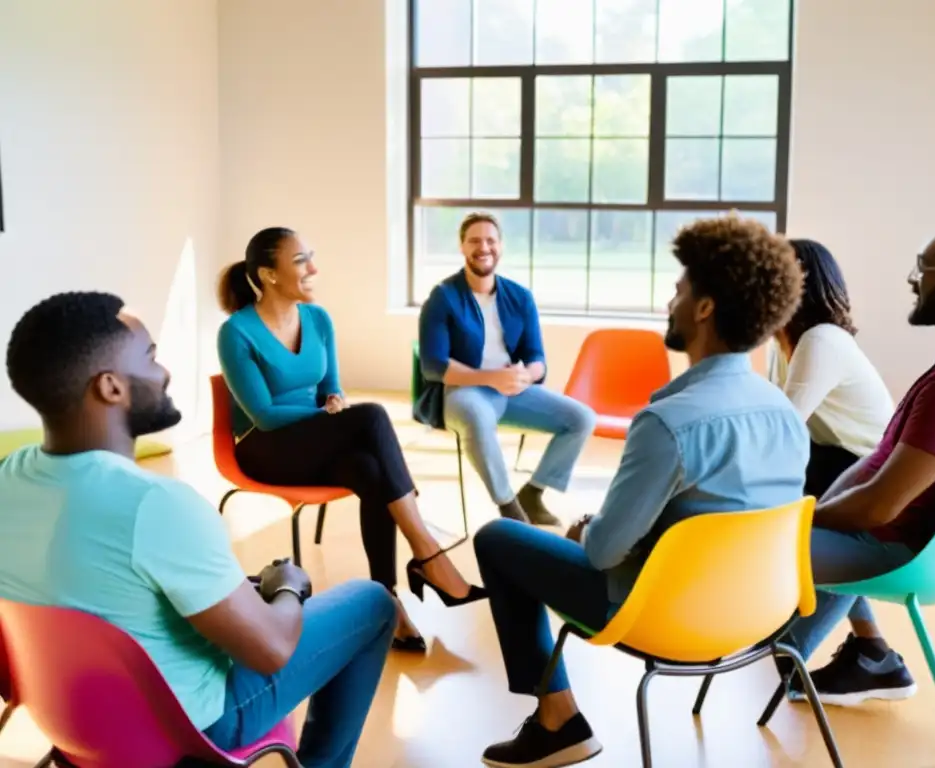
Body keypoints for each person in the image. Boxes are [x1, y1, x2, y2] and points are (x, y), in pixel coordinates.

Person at [0, 291, 395, 767]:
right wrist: (288, 588)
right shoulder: (156, 504)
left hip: (68, 719)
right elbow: (272, 649)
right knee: (374, 603)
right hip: (192, 725)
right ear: (110, 387)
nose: (164, 371)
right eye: (150, 357)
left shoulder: (8, 476)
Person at [473, 216, 810, 767]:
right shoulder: (785, 413)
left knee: (498, 538)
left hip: (669, 618)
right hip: (761, 615)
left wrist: (591, 531)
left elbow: (603, 553)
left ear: (705, 309)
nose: (669, 301)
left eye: (680, 290)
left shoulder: (669, 423)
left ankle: (557, 718)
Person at [781, 215, 935, 707]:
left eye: (922, 268)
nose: (913, 280)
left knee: (723, 542)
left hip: (895, 551)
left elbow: (877, 509)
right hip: (929, 549)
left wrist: (798, 519)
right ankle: (809, 647)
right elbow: (879, 468)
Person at [216, 227, 485, 654]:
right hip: (264, 448)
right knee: (373, 416)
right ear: (268, 274)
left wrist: (333, 404)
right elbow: (264, 416)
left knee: (368, 468)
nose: (313, 268)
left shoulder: (318, 319)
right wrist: (328, 415)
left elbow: (331, 390)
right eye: (301, 260)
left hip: (313, 440)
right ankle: (427, 551)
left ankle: (388, 600)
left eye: (311, 256)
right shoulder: (237, 332)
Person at [416, 211, 597, 526]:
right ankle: (509, 506)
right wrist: (490, 377)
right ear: (462, 247)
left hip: (513, 390)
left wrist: (527, 375)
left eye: (490, 240)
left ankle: (534, 493)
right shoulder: (442, 297)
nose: (483, 247)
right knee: (476, 416)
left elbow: (537, 357)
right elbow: (433, 366)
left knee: (581, 418)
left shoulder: (520, 297)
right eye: (474, 240)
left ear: (500, 246)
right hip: (463, 391)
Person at [766, 238, 894, 498]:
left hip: (862, 467)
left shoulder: (821, 340)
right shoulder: (782, 343)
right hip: (830, 456)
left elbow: (783, 428)